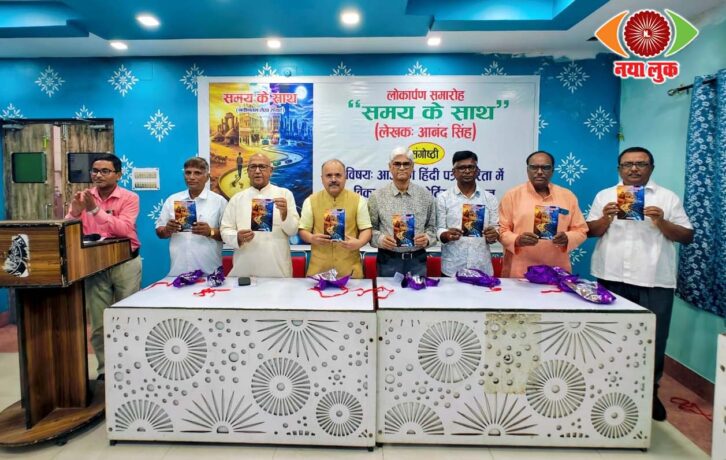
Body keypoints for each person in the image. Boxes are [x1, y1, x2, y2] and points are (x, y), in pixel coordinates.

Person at [586, 146, 693, 421]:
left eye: (641, 164)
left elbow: (686, 236)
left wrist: (660, 221)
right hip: (611, 276)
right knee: (608, 335)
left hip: (654, 279)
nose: (634, 169)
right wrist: (605, 218)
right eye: (627, 164)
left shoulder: (667, 198)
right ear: (619, 169)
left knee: (653, 339)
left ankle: (650, 393)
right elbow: (590, 231)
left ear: (651, 168)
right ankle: (606, 388)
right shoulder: (605, 196)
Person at [65, 153, 141, 380]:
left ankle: (131, 368)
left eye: (105, 171)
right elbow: (68, 229)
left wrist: (94, 211)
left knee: (128, 319)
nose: (98, 175)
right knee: (99, 324)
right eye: (95, 171)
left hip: (125, 263)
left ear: (118, 175)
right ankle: (105, 371)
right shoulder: (84, 197)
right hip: (95, 265)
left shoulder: (130, 198)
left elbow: (124, 229)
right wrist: (75, 212)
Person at [498, 150, 587, 278]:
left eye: (545, 167)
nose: (539, 172)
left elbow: (581, 230)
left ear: (552, 170)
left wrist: (568, 238)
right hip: (520, 271)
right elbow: (501, 230)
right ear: (527, 170)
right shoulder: (512, 196)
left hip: (557, 271)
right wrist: (517, 240)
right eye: (534, 167)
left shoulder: (568, 196)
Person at [220, 153, 299, 277]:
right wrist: (237, 237)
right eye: (253, 167)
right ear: (247, 171)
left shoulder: (284, 195)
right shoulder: (237, 199)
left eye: (262, 166)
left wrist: (285, 214)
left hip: (278, 271)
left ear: (270, 170)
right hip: (244, 271)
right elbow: (225, 230)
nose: (257, 171)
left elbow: (293, 231)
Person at [368, 146, 437, 277]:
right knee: (387, 291)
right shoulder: (377, 196)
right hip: (387, 260)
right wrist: (380, 239)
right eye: (397, 164)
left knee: (418, 291)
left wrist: (427, 239)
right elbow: (370, 229)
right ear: (390, 167)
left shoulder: (426, 195)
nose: (401, 168)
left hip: (417, 260)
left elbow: (433, 227)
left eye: (406, 164)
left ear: (412, 167)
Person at [299, 159, 372, 278]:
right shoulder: (310, 201)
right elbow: (303, 230)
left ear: (345, 177)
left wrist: (359, 242)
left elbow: (366, 229)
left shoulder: (358, 200)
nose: (333, 179)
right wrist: (311, 238)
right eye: (329, 175)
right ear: (322, 178)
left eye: (338, 175)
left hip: (350, 272)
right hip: (319, 271)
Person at [155, 157, 227, 276]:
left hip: (210, 273)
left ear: (207, 177)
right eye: (188, 173)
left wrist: (210, 232)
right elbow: (159, 233)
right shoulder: (172, 200)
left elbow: (228, 236)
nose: (191, 177)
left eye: (197, 173)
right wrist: (167, 230)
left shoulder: (219, 202)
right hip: (178, 272)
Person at [436, 150, 499, 276]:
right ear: (453, 172)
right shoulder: (443, 198)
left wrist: (494, 235)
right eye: (461, 168)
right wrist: (446, 235)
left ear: (477, 171)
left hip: (481, 267)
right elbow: (438, 228)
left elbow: (496, 228)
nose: (467, 171)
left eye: (471, 167)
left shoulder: (490, 199)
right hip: (452, 268)